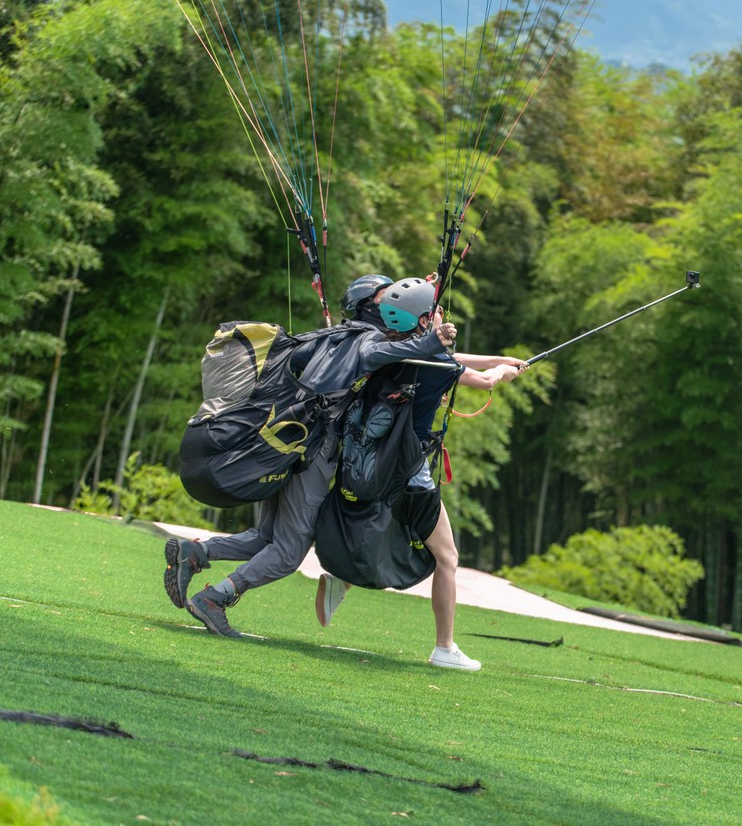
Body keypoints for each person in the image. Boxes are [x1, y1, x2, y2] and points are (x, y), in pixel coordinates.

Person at [165, 275, 458, 638]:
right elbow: (386, 352)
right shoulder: (366, 341)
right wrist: (433, 339)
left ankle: (195, 553)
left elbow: (411, 347)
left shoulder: (332, 336)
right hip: (313, 452)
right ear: (372, 306)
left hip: (284, 444)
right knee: (288, 553)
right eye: (387, 299)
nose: (393, 307)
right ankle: (215, 599)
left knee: (267, 537)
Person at [314, 276, 525, 671]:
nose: (443, 314)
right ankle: (444, 647)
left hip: (373, 466)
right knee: (446, 556)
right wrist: (502, 373)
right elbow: (478, 380)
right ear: (425, 319)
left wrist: (498, 358)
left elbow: (454, 361)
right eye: (438, 310)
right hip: (410, 473)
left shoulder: (386, 345)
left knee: (396, 530)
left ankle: (343, 578)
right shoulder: (433, 363)